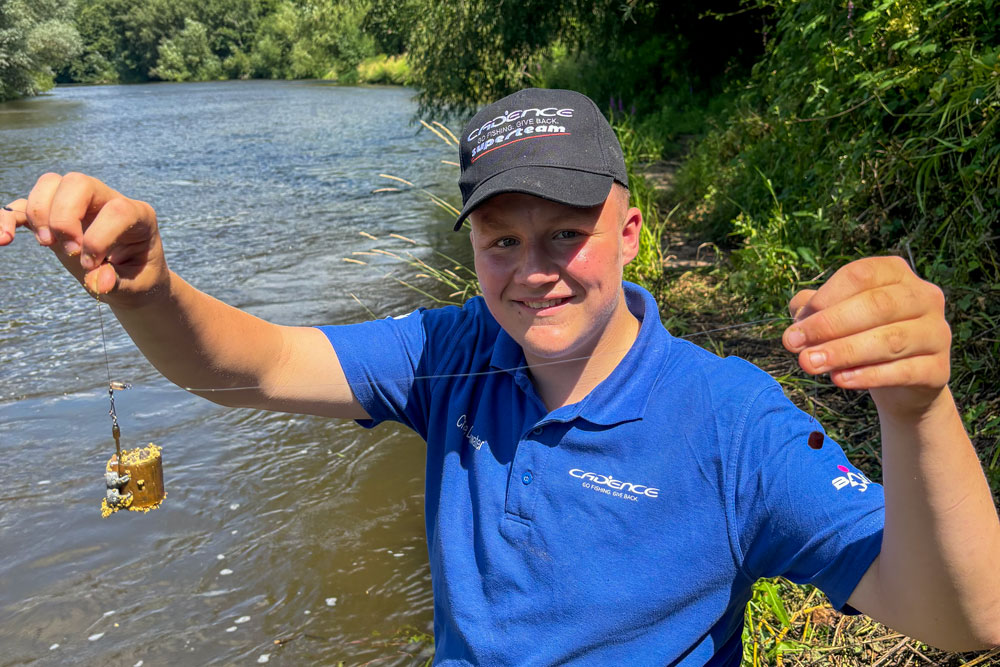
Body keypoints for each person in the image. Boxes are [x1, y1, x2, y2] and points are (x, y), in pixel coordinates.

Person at [2, 87, 998, 664]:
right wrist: (147, 286)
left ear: (631, 234)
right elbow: (247, 370)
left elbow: (964, 615)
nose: (532, 272)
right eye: (500, 241)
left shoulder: (729, 418)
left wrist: (917, 406)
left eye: (567, 235)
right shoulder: (453, 351)